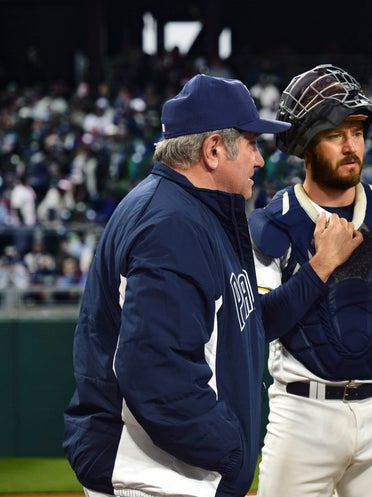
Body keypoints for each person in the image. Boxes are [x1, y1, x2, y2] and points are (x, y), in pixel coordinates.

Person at [62, 74, 291, 497]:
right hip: (156, 478)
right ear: (214, 150)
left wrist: (317, 275)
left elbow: (247, 326)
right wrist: (232, 449)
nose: (260, 160)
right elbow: (156, 374)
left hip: (173, 474)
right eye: (253, 143)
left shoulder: (189, 213)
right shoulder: (172, 225)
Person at [249, 64, 372, 497]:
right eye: (334, 134)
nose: (350, 146)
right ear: (305, 145)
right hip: (303, 414)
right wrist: (321, 265)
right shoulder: (275, 224)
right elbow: (260, 326)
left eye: (357, 132)